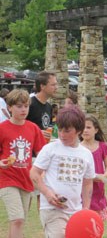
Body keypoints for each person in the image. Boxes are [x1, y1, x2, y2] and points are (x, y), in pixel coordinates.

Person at [30, 106, 95, 238]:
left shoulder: (86, 154)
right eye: (59, 130)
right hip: (52, 209)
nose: (61, 134)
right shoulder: (50, 149)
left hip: (76, 211)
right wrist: (47, 193)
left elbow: (87, 183)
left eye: (67, 131)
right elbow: (34, 173)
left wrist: (85, 210)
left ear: (78, 131)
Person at [0, 89, 46, 238]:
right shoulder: (2, 128)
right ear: (10, 107)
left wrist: (43, 172)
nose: (23, 110)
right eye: (19, 106)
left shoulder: (33, 128)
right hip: (6, 179)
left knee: (19, 221)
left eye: (26, 106)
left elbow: (42, 154)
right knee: (17, 219)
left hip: (26, 179)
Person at [80, 114, 107, 221]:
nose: (85, 130)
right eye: (83, 127)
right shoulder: (78, 148)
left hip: (98, 189)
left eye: (88, 127)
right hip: (83, 188)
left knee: (97, 223)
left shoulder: (102, 146)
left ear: (96, 130)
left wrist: (103, 176)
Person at [26, 71, 58, 141]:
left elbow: (46, 128)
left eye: (56, 84)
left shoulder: (49, 107)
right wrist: (37, 133)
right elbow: (18, 126)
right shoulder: (29, 104)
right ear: (42, 86)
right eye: (53, 85)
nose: (56, 87)